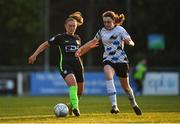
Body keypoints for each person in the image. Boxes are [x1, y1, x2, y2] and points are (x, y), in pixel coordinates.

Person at [75, 11, 142, 115]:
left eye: (108, 22)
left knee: (126, 87)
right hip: (108, 59)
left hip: (121, 60)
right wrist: (81, 49)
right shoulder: (101, 31)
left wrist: (130, 42)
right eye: (104, 22)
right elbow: (93, 42)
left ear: (114, 21)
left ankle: (134, 104)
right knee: (108, 76)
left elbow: (129, 39)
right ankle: (114, 106)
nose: (106, 24)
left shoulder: (120, 30)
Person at [28, 11, 84, 116]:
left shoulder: (77, 38)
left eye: (74, 26)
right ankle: (76, 108)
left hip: (78, 66)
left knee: (80, 92)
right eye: (70, 26)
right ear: (65, 26)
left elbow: (80, 52)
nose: (72, 28)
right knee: (73, 85)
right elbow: (45, 45)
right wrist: (35, 54)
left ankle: (71, 106)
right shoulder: (60, 37)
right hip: (65, 65)